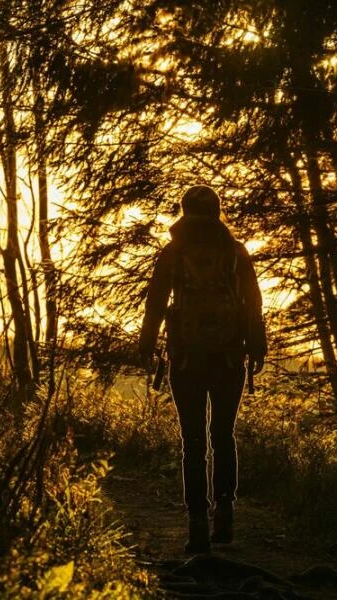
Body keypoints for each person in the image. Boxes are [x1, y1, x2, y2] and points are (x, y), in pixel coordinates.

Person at [138, 185, 267, 554]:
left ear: (184, 209)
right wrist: (256, 344)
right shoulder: (235, 250)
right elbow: (253, 299)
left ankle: (197, 521)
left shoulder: (174, 252)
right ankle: (224, 513)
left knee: (192, 442)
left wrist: (147, 343)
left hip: (185, 357)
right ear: (217, 209)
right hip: (229, 356)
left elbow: (156, 300)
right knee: (223, 435)